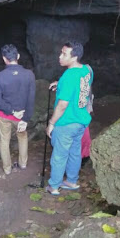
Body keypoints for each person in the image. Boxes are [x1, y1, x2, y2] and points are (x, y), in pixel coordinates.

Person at [45, 41, 93, 195]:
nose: (60, 56)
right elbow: (80, 85)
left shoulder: (68, 77)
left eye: (64, 54)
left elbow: (62, 105)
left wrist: (51, 123)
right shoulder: (86, 70)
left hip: (66, 122)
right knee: (74, 152)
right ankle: (72, 181)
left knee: (59, 155)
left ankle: (54, 186)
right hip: (81, 121)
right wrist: (60, 84)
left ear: (74, 57)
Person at [0, 44, 35, 175]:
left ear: (4, 59)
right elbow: (31, 99)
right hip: (21, 116)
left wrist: (11, 111)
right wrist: (25, 118)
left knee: (4, 140)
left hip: (5, 116)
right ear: (18, 56)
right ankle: (22, 164)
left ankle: (7, 169)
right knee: (22, 138)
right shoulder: (29, 75)